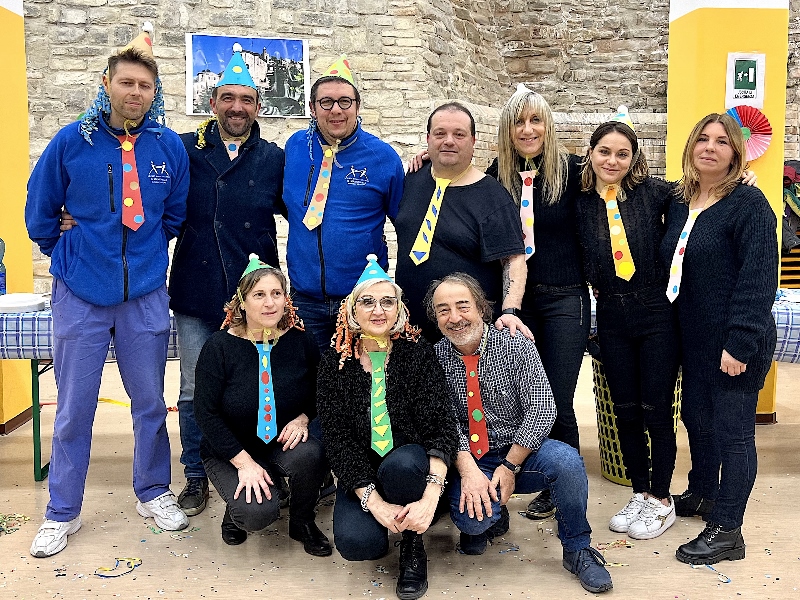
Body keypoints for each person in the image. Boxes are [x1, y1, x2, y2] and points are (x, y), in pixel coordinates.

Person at [25, 24, 190, 558]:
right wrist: (70, 248)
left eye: (144, 85)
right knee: (74, 408)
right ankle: (61, 511)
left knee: (150, 403)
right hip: (80, 293)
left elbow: (173, 216)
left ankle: (153, 491)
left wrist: (144, 254)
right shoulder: (72, 141)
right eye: (126, 82)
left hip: (144, 293)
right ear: (107, 83)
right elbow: (39, 211)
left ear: (153, 91)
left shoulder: (167, 146)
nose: (135, 92)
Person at [428, 273, 612, 594]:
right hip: (471, 460)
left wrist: (510, 465)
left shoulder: (515, 345)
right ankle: (492, 517)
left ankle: (577, 549)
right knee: (474, 522)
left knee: (567, 461)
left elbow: (543, 408)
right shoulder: (434, 358)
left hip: (518, 453)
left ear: (481, 308)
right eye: (443, 310)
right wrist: (469, 472)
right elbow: (442, 423)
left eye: (463, 306)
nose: (454, 317)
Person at [168, 44, 286, 517]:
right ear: (213, 101)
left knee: (261, 383)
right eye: (228, 98)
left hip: (256, 296)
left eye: (247, 100)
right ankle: (196, 473)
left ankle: (264, 466)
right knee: (194, 389)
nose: (238, 108)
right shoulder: (184, 148)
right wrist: (79, 215)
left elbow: (316, 196)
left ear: (258, 107)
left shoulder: (274, 158)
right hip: (197, 289)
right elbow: (141, 182)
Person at [661, 113, 777, 565]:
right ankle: (704, 493)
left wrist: (740, 342)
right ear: (691, 146)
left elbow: (758, 279)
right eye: (703, 139)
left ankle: (728, 530)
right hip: (695, 340)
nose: (710, 147)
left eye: (722, 142)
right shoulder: (679, 200)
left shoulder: (749, 204)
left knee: (734, 434)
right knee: (696, 417)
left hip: (735, 342)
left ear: (736, 153)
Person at [317, 255, 459, 600]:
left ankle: (413, 544)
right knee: (357, 545)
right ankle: (391, 514)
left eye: (387, 302)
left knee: (403, 464)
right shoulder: (334, 364)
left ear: (399, 310)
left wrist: (430, 495)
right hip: (364, 474)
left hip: (411, 469)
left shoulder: (418, 355)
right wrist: (375, 502)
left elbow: (442, 427)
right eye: (368, 302)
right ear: (352, 311)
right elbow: (337, 441)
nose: (378, 310)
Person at [575, 110, 680, 540]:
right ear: (591, 154)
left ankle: (662, 498)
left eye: (622, 153)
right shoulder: (579, 199)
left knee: (656, 408)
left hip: (655, 311)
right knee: (626, 410)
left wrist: (742, 178)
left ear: (634, 157)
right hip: (612, 315)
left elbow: (700, 190)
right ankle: (639, 491)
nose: (612, 161)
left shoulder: (653, 192)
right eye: (605, 151)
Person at [193, 255, 331, 555]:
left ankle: (302, 521)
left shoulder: (300, 340)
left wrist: (303, 417)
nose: (270, 303)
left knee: (312, 454)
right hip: (231, 450)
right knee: (257, 515)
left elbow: (320, 389)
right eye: (259, 295)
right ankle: (235, 513)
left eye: (276, 293)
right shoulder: (219, 347)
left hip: (279, 443)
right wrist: (244, 463)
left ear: (286, 300)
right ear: (242, 302)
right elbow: (205, 413)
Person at [283, 56, 405, 354]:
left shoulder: (382, 157)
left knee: (361, 377)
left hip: (361, 298)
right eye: (326, 102)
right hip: (304, 299)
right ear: (312, 108)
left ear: (357, 107)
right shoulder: (294, 147)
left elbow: (404, 220)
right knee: (309, 378)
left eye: (345, 102)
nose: (336, 110)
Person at [395, 102, 529, 344]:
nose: (449, 141)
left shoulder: (492, 196)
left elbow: (513, 259)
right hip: (409, 329)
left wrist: (510, 311)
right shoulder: (413, 177)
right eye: (440, 134)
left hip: (465, 332)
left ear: (473, 141)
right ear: (428, 139)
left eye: (459, 134)